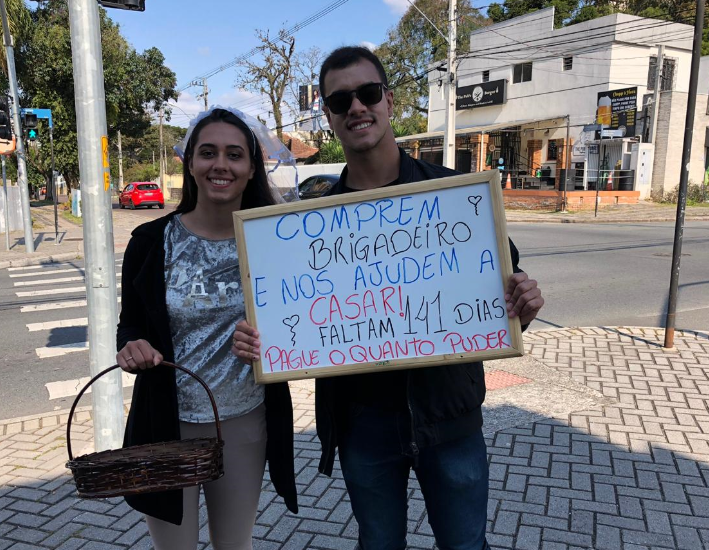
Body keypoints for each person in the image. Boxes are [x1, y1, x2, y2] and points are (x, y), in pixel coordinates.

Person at [233, 47, 544, 550]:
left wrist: (523, 304)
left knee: (466, 546)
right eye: (339, 100)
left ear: (389, 101)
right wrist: (260, 340)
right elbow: (287, 314)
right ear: (329, 117)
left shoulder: (456, 195)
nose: (356, 106)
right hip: (363, 427)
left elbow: (503, 291)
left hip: (449, 420)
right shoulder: (309, 225)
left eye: (367, 93)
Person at [116, 107, 298, 550]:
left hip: (243, 421)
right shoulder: (149, 243)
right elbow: (130, 327)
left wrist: (269, 343)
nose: (221, 164)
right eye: (208, 152)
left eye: (235, 154)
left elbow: (305, 323)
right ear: (191, 163)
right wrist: (131, 349)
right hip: (166, 425)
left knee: (234, 545)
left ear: (252, 167)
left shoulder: (276, 243)